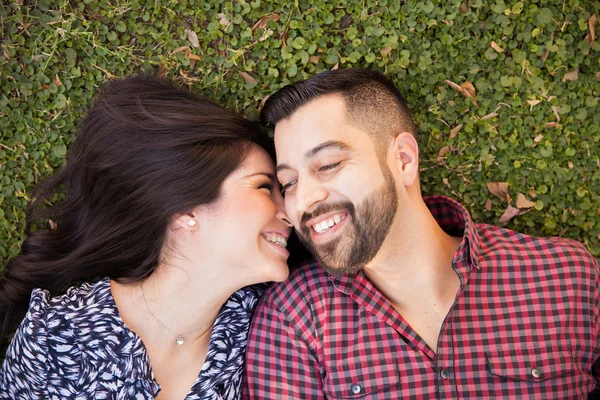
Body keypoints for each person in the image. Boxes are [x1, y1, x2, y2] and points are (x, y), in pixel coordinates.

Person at [244, 68, 600, 398]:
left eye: (328, 165)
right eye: (289, 182)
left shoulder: (568, 276)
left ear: (403, 159)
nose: (303, 200)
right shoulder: (294, 319)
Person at [0, 76, 292, 399]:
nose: (290, 213)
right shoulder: (56, 337)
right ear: (186, 210)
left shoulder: (270, 328)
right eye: (264, 187)